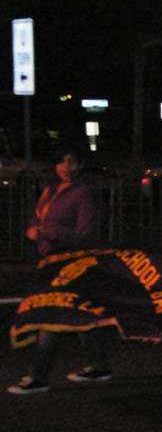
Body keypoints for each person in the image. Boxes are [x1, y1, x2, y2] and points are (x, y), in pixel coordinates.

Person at [8, 148, 111, 395]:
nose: (66, 166)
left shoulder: (86, 191)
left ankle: (39, 376)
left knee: (51, 315)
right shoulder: (51, 190)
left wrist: (49, 233)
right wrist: (35, 229)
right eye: (61, 161)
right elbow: (38, 217)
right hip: (52, 260)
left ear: (81, 165)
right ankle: (99, 366)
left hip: (75, 262)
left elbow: (86, 232)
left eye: (72, 162)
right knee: (77, 314)